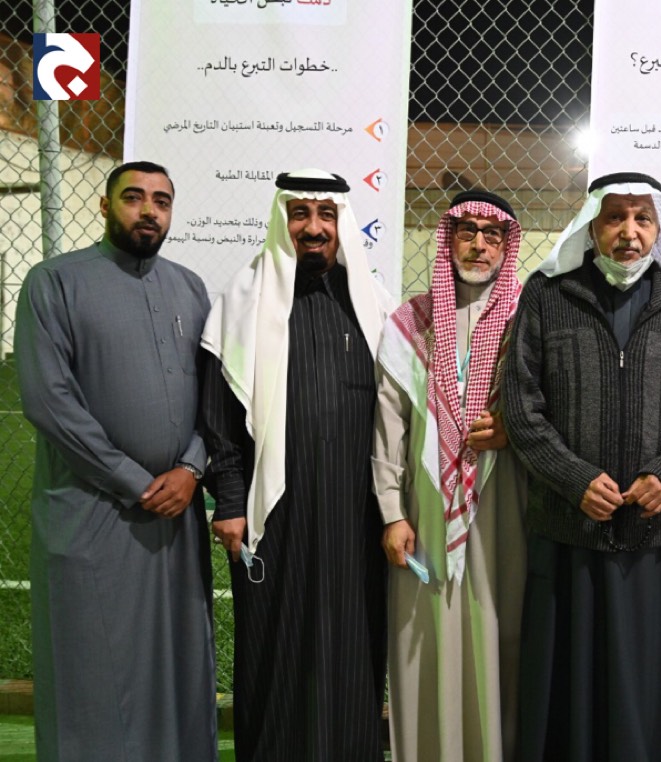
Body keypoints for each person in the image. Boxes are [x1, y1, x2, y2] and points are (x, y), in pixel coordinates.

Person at [502, 171, 661, 762]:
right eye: (615, 218)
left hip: (655, 533)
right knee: (565, 690)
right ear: (592, 227)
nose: (629, 232)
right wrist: (575, 480)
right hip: (569, 530)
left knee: (647, 687)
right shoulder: (548, 296)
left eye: (642, 218)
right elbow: (522, 407)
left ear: (658, 228)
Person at [16, 161, 216, 761]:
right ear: (105, 206)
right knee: (90, 666)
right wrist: (135, 482)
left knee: (177, 663)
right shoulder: (55, 282)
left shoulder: (190, 288)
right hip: (93, 508)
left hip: (176, 514)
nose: (148, 211)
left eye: (162, 201)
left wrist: (192, 469)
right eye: (134, 197)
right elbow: (49, 401)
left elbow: (215, 397)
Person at [201, 169, 394, 761]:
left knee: (354, 643)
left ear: (341, 224)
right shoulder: (242, 302)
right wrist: (229, 500)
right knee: (273, 646)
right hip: (274, 513)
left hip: (357, 513)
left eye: (326, 215)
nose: (314, 228)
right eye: (300, 214)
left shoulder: (373, 306)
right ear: (281, 221)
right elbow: (218, 416)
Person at [375, 189, 527, 761]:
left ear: (507, 244)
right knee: (426, 633)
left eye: (493, 235)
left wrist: (513, 426)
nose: (479, 245)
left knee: (500, 627)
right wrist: (392, 512)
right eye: (467, 232)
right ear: (449, 241)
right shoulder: (411, 322)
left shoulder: (528, 317)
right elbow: (388, 424)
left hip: (504, 500)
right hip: (424, 509)